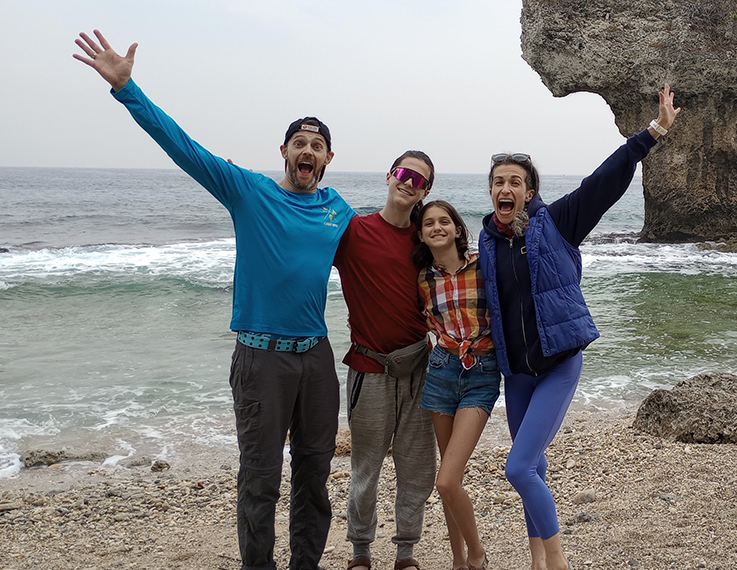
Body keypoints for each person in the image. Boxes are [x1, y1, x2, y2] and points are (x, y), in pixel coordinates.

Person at [73, 30, 354, 570]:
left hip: (316, 358)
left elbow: (376, 260)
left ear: (327, 158)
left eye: (317, 145)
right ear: (285, 151)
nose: (308, 150)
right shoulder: (248, 190)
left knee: (315, 474)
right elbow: (184, 147)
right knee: (261, 480)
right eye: (300, 142)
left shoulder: (336, 209)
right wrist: (128, 89)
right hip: (260, 356)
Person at [478, 84, 681, 570]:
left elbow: (603, 182)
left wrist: (651, 133)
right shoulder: (486, 243)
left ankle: (559, 562)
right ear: (490, 191)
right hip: (518, 374)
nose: (505, 189)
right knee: (536, 467)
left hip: (558, 365)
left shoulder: (558, 223)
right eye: (497, 182)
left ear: (530, 191)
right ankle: (535, 560)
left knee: (518, 467)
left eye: (515, 182)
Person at [333, 152, 437, 570]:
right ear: (390, 176)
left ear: (426, 191)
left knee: (418, 469)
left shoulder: (427, 237)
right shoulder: (353, 232)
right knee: (365, 469)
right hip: (368, 369)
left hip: (419, 371)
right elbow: (300, 244)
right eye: (404, 173)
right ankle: (360, 551)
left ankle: (406, 552)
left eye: (420, 180)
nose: (409, 182)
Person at [412, 200, 499, 570]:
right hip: (442, 372)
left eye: (444, 221)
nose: (437, 227)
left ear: (458, 229)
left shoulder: (483, 265)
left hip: (481, 373)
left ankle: (477, 554)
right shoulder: (422, 280)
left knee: (446, 481)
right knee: (451, 479)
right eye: (429, 223)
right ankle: (458, 561)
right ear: (421, 235)